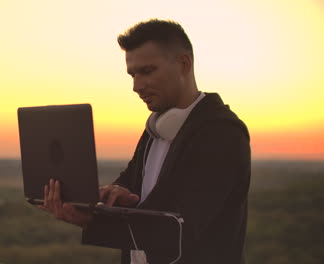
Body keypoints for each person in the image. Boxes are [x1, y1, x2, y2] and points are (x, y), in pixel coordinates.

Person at [40, 19, 251, 264]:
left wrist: (91, 222)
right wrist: (110, 197)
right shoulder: (156, 127)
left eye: (147, 71)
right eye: (132, 74)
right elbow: (130, 182)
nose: (136, 86)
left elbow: (180, 228)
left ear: (184, 64)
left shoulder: (222, 133)